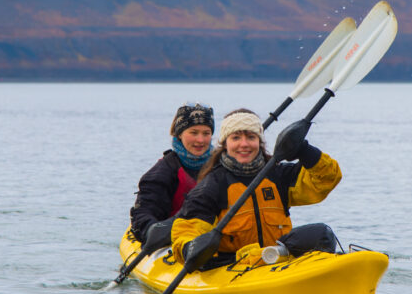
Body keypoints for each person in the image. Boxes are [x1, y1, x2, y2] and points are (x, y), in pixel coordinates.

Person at [171, 108, 342, 267]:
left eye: (251, 137)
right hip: (233, 266)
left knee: (322, 233)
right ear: (225, 143)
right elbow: (188, 228)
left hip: (277, 259)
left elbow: (326, 180)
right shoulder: (213, 185)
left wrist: (305, 151)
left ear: (259, 142)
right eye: (236, 137)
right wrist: (188, 248)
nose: (244, 144)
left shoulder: (277, 174)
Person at [129, 103, 215, 247]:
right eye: (194, 133)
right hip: (175, 241)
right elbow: (143, 213)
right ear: (179, 134)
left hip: (212, 236)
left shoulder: (220, 166)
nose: (200, 140)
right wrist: (152, 231)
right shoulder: (162, 172)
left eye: (206, 133)